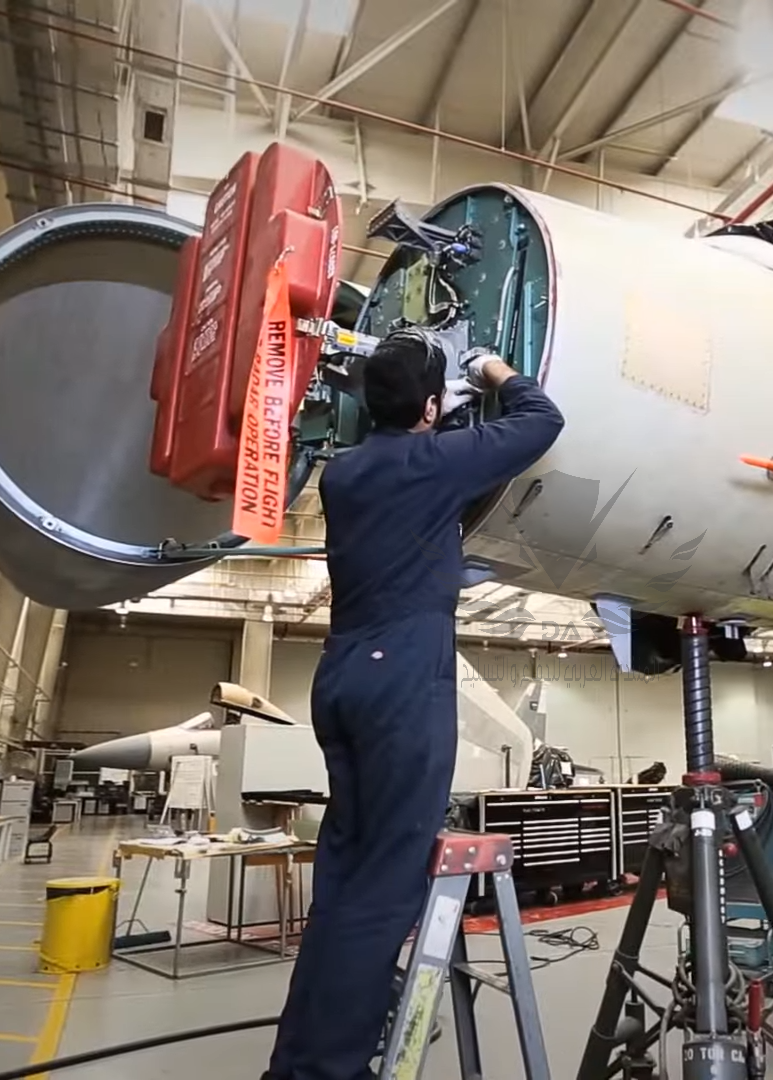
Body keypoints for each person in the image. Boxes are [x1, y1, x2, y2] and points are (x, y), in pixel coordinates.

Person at [266, 331, 564, 1080]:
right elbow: (541, 418)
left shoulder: (344, 472)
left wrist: (437, 415)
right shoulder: (438, 463)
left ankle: (297, 1062)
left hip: (341, 672)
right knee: (387, 888)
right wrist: (489, 368)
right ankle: (332, 1070)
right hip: (401, 676)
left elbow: (406, 467)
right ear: (431, 408)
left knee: (344, 878)